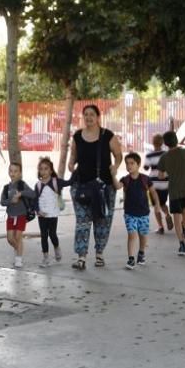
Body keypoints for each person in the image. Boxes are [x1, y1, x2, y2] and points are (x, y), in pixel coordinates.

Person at [67, 104, 123, 270]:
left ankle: (99, 254)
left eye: (92, 114)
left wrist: (116, 166)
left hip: (103, 188)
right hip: (81, 186)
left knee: (102, 221)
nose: (89, 118)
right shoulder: (77, 136)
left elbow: (118, 155)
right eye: (86, 115)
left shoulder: (107, 136)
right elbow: (73, 157)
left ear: (98, 117)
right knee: (82, 222)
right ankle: (81, 257)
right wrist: (71, 164)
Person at [117, 152, 159, 269]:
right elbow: (117, 186)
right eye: (127, 164)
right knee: (132, 235)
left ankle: (141, 253)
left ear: (138, 164)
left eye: (132, 163)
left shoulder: (145, 179)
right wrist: (112, 173)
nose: (129, 166)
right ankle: (131, 259)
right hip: (130, 213)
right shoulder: (125, 180)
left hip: (143, 213)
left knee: (143, 235)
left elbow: (153, 192)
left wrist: (157, 205)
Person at [34, 157, 71, 267]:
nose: (43, 171)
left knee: (52, 234)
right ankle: (45, 258)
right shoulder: (38, 185)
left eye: (46, 169)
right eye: (41, 169)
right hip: (42, 215)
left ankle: (56, 247)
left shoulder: (56, 182)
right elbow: (35, 200)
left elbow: (69, 182)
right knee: (44, 236)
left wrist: (77, 171)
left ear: (51, 170)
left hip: (53, 214)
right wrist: (38, 211)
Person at [0, 162, 36, 269]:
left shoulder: (22, 185)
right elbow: (2, 202)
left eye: (15, 171)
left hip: (21, 215)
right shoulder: (6, 187)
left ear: (20, 173)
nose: (13, 173)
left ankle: (18, 259)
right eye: (11, 171)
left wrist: (21, 193)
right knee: (10, 238)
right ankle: (18, 249)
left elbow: (33, 194)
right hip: (10, 216)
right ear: (8, 172)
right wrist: (11, 201)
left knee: (18, 237)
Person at [143, 134, 174, 234]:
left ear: (153, 143)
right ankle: (167, 214)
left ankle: (161, 227)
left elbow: (146, 168)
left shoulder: (149, 155)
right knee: (162, 203)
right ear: (162, 143)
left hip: (153, 184)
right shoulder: (167, 154)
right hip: (165, 182)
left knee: (156, 204)